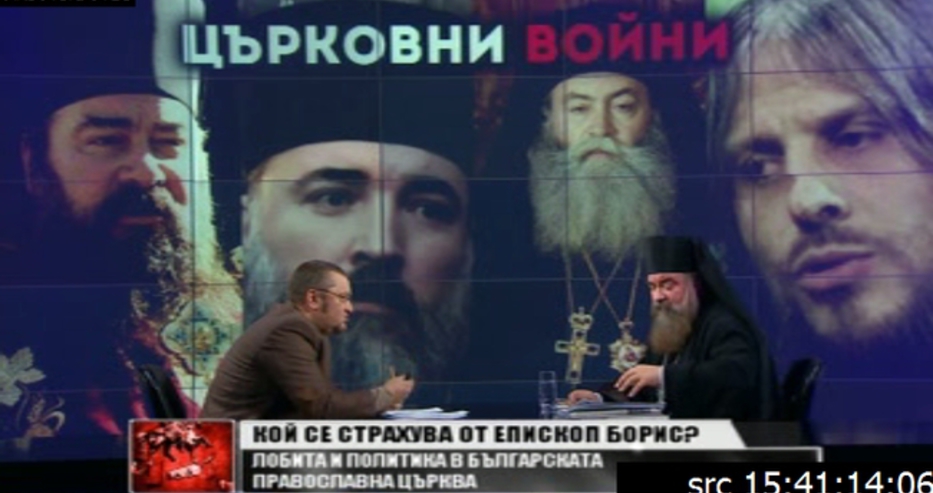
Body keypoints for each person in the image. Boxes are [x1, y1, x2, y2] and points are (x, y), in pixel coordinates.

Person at [568, 236, 779, 420]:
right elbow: (642, 385)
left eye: (668, 285)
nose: (658, 296)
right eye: (652, 287)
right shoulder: (671, 327)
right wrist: (598, 399)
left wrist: (663, 376)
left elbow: (735, 376)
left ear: (696, 285)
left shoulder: (724, 324)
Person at [200, 260, 414, 419]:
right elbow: (320, 407)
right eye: (342, 298)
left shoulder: (297, 327)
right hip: (232, 451)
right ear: (313, 299)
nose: (349, 308)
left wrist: (377, 404)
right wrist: (385, 395)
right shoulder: (288, 330)